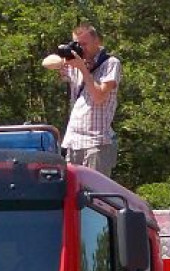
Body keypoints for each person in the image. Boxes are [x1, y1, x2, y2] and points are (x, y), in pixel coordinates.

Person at [46, 23, 122, 177]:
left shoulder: (110, 63)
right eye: (77, 44)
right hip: (74, 142)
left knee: (94, 190)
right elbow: (46, 63)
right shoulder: (76, 64)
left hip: (96, 143)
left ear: (97, 41)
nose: (81, 48)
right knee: (72, 189)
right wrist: (63, 56)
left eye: (84, 44)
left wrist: (83, 69)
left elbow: (99, 97)